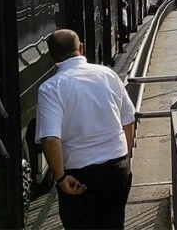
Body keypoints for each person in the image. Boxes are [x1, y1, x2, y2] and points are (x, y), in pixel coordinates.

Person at [35, 30, 135, 229]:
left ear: (52, 57)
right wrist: (127, 158)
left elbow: (50, 139)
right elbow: (128, 120)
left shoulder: (50, 88)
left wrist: (60, 177)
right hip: (116, 168)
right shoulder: (108, 74)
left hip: (79, 177)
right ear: (80, 48)